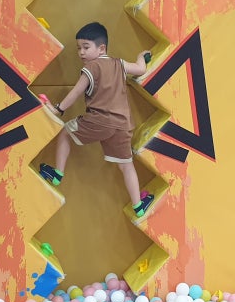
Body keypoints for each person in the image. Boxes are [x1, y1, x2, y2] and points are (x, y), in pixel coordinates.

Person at [39, 22, 155, 221]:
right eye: (79, 48)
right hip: (122, 125)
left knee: (66, 133)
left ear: (101, 48)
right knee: (126, 165)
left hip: (99, 121)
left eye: (86, 47)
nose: (81, 53)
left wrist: (58, 109)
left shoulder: (91, 68)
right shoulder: (119, 64)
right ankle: (138, 206)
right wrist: (140, 57)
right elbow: (140, 69)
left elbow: (76, 92)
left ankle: (57, 174)